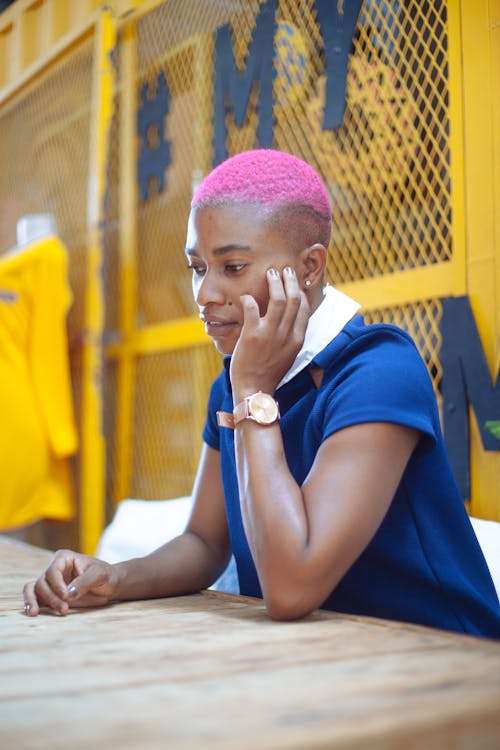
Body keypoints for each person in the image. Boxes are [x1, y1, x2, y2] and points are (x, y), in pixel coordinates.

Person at [23, 149, 500, 638]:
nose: (205, 294)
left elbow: (292, 587)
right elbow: (206, 543)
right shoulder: (234, 380)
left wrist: (253, 393)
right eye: (196, 267)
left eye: (232, 266)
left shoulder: (378, 370)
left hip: (443, 656)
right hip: (319, 658)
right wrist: (116, 577)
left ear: (310, 265)